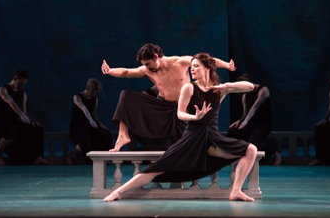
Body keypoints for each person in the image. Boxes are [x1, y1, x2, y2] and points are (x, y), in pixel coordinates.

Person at [104, 52, 257, 202]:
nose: (192, 69)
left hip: (212, 137)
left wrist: (226, 85)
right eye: (192, 66)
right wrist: (195, 117)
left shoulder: (218, 90)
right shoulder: (189, 88)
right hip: (192, 135)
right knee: (157, 168)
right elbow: (180, 114)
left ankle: (235, 191)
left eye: (196, 66)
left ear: (207, 69)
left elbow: (249, 87)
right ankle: (118, 192)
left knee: (251, 150)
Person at [101, 43, 236, 151]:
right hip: (162, 106)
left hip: (183, 108)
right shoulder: (147, 70)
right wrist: (110, 71)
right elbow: (126, 72)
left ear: (155, 56)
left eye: (148, 63)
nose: (146, 67)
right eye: (144, 65)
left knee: (183, 145)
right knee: (126, 96)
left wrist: (226, 65)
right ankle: (123, 136)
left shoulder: (180, 62)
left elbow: (207, 61)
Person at [0, 70, 48, 166]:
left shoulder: (23, 94)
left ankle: (38, 157)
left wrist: (30, 121)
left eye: (23, 84)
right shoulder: (3, 89)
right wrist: (20, 114)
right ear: (15, 79)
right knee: (10, 134)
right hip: (2, 122)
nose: (21, 86)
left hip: (14, 122)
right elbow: (10, 102)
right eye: (20, 83)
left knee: (37, 128)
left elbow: (24, 112)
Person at [227, 73, 281, 165]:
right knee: (232, 131)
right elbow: (245, 113)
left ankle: (275, 152)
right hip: (251, 122)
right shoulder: (245, 96)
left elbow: (254, 107)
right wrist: (239, 121)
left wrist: (245, 121)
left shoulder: (263, 90)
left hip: (263, 123)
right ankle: (234, 157)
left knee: (253, 142)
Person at [69, 78, 113, 163]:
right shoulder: (77, 97)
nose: (93, 94)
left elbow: (94, 115)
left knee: (106, 134)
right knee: (84, 144)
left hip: (89, 125)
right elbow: (84, 109)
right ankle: (70, 154)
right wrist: (91, 121)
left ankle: (107, 158)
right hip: (77, 126)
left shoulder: (95, 100)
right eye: (92, 92)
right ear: (88, 89)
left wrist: (100, 124)